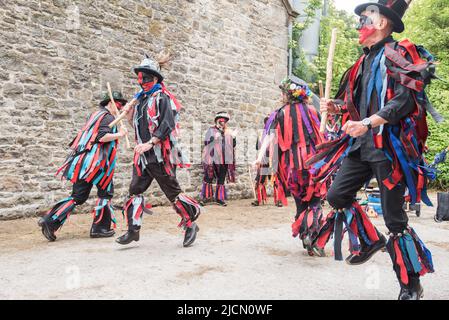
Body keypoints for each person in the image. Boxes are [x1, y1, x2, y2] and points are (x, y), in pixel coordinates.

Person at [309, 0, 435, 300]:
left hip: (389, 149)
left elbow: (405, 101)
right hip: (361, 146)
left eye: (364, 19)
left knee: (395, 220)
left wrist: (367, 122)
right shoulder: (362, 62)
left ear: (381, 23)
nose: (358, 26)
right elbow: (355, 104)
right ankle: (369, 240)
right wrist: (336, 106)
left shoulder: (400, 53)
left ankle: (410, 283)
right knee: (337, 195)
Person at [116, 53, 201, 247]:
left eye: (145, 77)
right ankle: (133, 230)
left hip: (160, 155)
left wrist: (151, 143)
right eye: (140, 77)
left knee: (172, 192)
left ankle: (190, 225)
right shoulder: (141, 101)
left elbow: (167, 124)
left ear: (155, 78)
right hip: (143, 156)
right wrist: (128, 116)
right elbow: (138, 126)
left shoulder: (162, 98)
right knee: (135, 190)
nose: (141, 81)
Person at [38, 91, 128, 241]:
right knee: (105, 194)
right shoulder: (107, 117)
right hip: (97, 164)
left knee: (78, 196)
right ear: (110, 103)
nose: (119, 108)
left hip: (84, 162)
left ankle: (50, 220)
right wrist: (120, 134)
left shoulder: (96, 115)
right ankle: (100, 228)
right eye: (118, 104)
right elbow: (101, 137)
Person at [255, 76, 326, 256]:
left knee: (300, 203)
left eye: (283, 92)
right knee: (315, 200)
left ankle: (305, 236)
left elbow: (270, 137)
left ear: (288, 94)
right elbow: (323, 134)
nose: (281, 95)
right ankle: (314, 237)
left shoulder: (280, 113)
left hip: (292, 166)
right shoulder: (313, 111)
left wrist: (259, 157)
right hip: (313, 163)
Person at [200, 112, 237, 207]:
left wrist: (233, 138)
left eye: (225, 121)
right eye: (221, 121)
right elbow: (206, 142)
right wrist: (214, 138)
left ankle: (219, 198)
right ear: (217, 121)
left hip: (224, 159)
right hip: (212, 158)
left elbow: (233, 145)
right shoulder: (211, 130)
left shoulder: (228, 132)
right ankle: (206, 198)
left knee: (221, 178)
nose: (223, 123)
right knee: (208, 177)